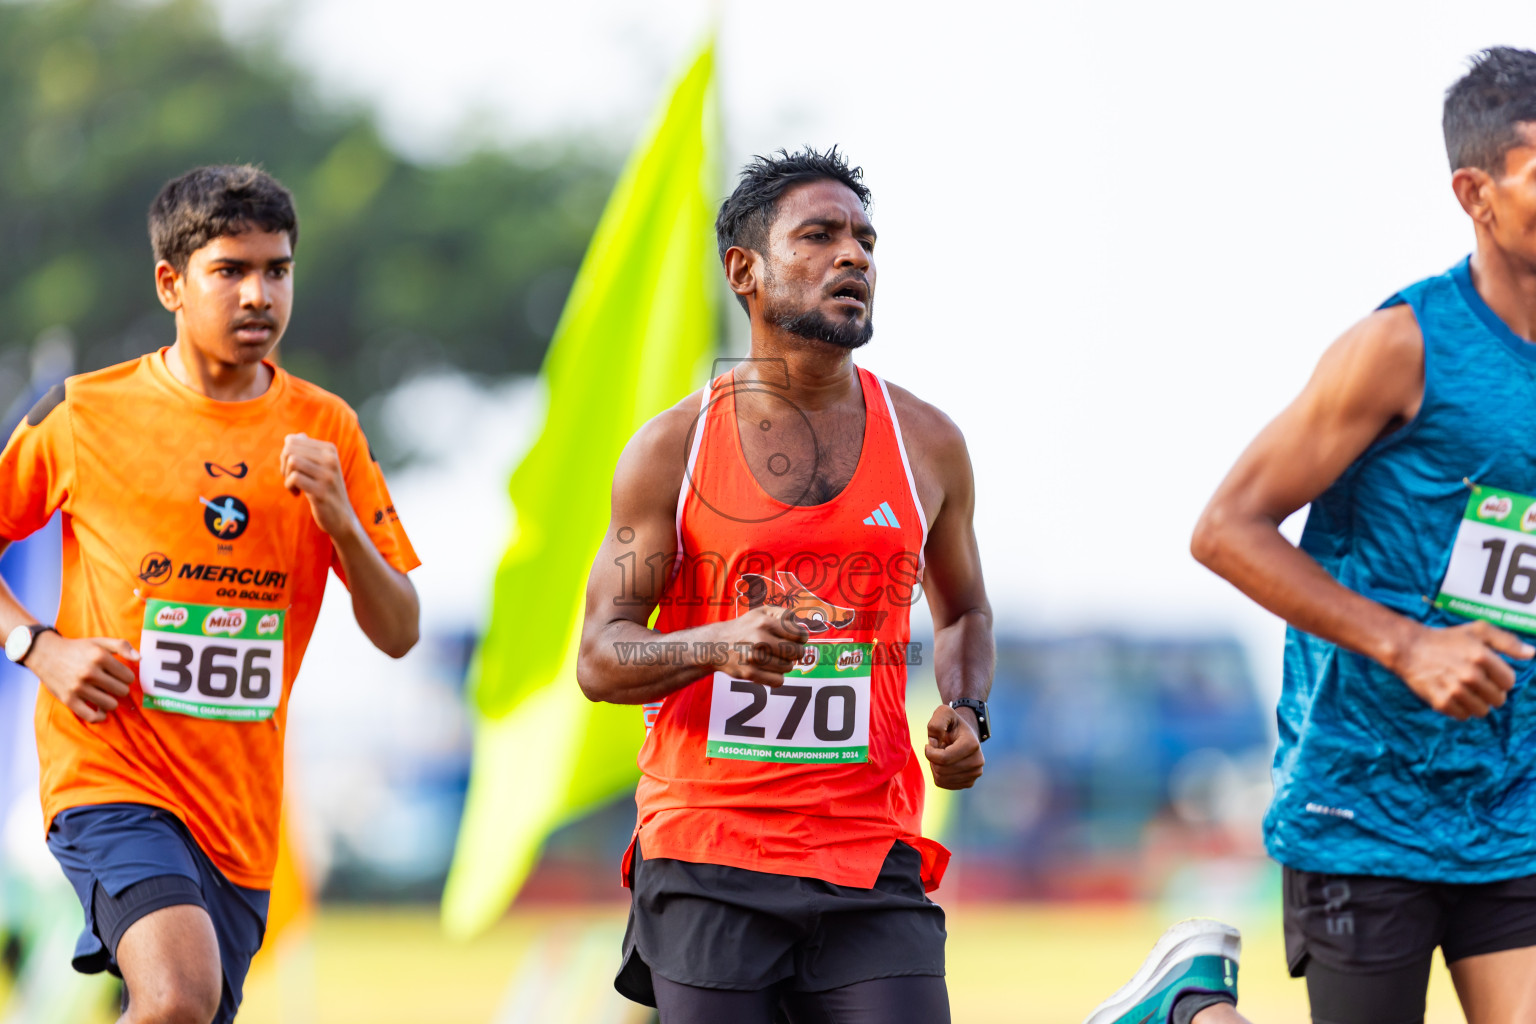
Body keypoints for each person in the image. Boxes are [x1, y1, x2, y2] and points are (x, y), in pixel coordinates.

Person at [575, 147, 993, 1023]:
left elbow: (964, 612)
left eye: (865, 240)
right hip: (707, 851)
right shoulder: (674, 449)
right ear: (746, 272)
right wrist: (721, 643)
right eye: (820, 236)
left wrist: (967, 708)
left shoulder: (927, 443)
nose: (855, 257)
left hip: (868, 850)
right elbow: (601, 658)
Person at [0, 164, 421, 1024]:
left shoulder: (328, 426)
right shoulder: (85, 414)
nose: (259, 294)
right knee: (177, 1000)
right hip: (110, 777)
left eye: (278, 269)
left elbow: (400, 629)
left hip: (237, 814)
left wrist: (341, 517)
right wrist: (39, 646)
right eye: (231, 270)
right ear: (171, 284)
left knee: (188, 1012)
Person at [1192, 46, 1536, 1024]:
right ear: (1476, 192)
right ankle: (1188, 1014)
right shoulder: (1402, 345)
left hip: (1512, 802)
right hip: (1365, 803)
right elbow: (1225, 529)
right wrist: (1409, 643)